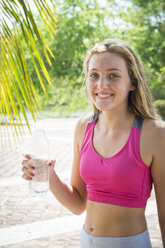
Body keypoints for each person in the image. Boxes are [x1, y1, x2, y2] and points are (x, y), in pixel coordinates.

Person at [22, 39, 165, 248]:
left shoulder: (155, 133)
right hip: (86, 242)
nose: (102, 85)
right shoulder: (83, 127)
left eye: (113, 75)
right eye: (94, 75)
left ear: (132, 82)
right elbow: (78, 203)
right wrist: (49, 176)